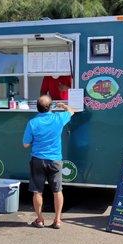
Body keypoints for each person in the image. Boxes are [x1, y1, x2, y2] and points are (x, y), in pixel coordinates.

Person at [22, 95, 75, 229]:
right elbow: (72, 111)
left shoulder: (32, 123)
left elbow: (25, 144)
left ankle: (40, 220)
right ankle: (57, 220)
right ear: (51, 107)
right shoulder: (58, 118)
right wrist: (63, 106)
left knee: (37, 192)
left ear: (37, 108)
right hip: (55, 160)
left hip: (38, 160)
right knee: (57, 191)